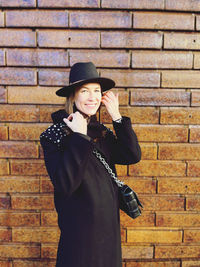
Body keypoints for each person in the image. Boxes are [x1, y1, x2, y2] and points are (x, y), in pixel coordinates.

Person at [40, 62, 141, 267]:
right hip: (80, 236)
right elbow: (65, 183)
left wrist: (117, 117)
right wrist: (79, 136)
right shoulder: (55, 135)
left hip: (108, 230)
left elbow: (131, 155)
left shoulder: (100, 131)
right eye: (84, 91)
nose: (92, 97)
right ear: (73, 96)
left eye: (97, 91)